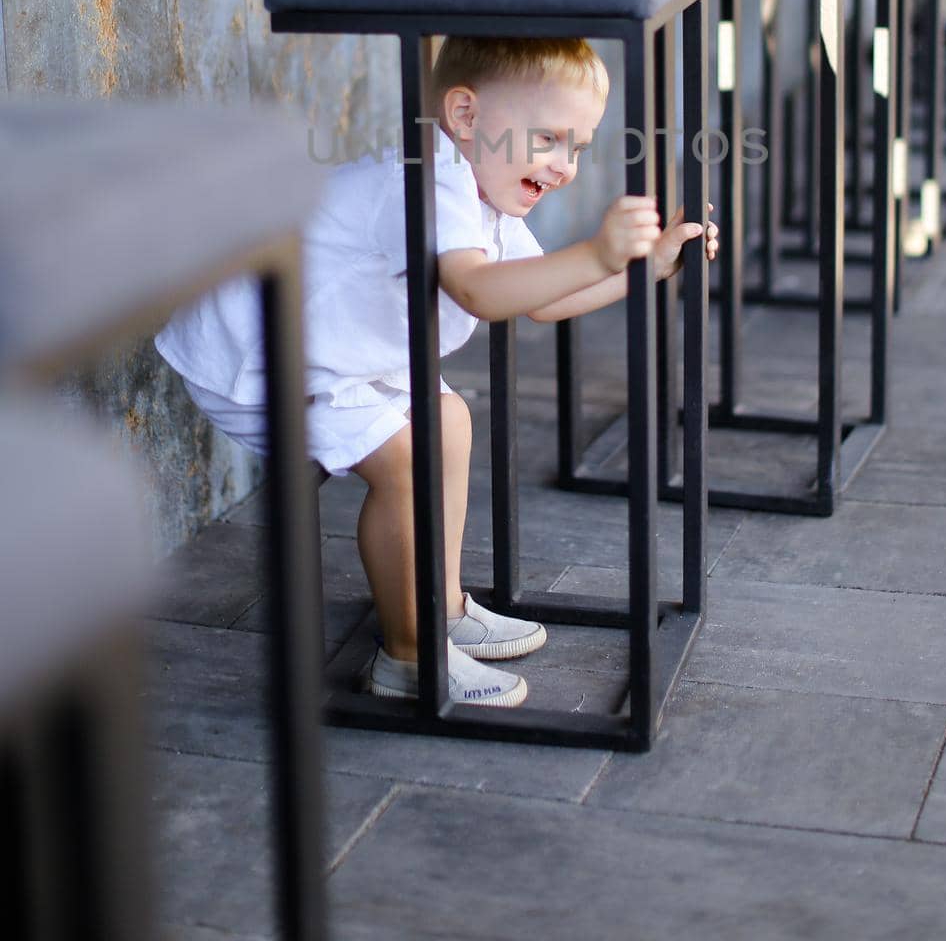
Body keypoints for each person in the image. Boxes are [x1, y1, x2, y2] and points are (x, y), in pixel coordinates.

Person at [156, 37, 718, 709]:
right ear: (465, 115)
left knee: (447, 420)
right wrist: (598, 253)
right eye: (549, 139)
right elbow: (479, 291)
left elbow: (538, 300)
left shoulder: (482, 192)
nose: (564, 165)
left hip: (333, 355)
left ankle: (441, 607)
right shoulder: (429, 181)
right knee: (406, 460)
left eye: (578, 146)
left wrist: (642, 269)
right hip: (258, 355)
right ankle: (408, 656)